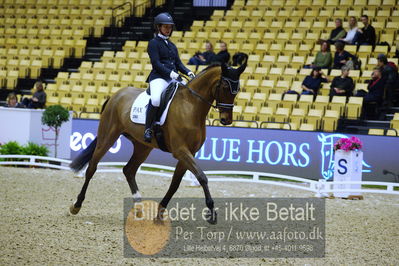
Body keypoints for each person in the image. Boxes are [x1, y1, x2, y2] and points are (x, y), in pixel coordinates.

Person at [144, 12, 195, 143]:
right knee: (155, 99)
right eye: (165, 27)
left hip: (173, 77)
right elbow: (156, 63)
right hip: (159, 78)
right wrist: (171, 73)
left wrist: (188, 72)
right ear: (158, 27)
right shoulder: (153, 43)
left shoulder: (172, 45)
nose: (168, 29)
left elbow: (178, 63)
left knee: (187, 94)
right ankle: (148, 129)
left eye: (170, 27)